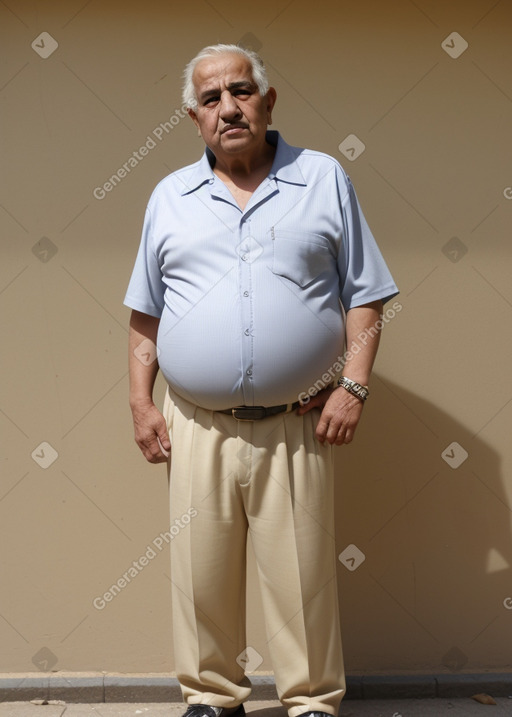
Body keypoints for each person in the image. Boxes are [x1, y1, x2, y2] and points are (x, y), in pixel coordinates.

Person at [124, 43, 398, 717]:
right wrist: (139, 400)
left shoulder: (324, 178)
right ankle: (211, 697)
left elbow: (366, 295)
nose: (228, 107)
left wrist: (353, 385)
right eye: (211, 99)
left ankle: (311, 702)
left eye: (240, 91)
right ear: (194, 117)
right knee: (200, 574)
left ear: (267, 100)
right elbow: (145, 316)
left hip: (296, 420)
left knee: (302, 576)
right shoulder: (169, 198)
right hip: (195, 423)